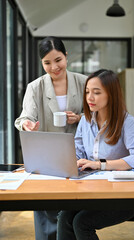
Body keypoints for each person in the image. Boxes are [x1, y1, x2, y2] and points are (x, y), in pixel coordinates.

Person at [57, 69, 134, 240]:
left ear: (111, 95)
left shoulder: (126, 121)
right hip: (95, 191)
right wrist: (71, 161)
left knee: (81, 223)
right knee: (65, 216)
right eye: (87, 92)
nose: (90, 97)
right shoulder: (85, 119)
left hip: (125, 196)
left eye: (96, 93)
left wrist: (101, 165)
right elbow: (78, 150)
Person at [15, 36, 87, 240]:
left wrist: (80, 117)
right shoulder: (35, 87)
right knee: (46, 210)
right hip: (45, 158)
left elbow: (98, 115)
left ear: (66, 56)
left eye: (58, 60)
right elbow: (24, 118)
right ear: (41, 63)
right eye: (47, 63)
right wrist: (26, 124)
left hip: (78, 157)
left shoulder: (83, 82)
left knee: (72, 212)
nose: (54, 67)